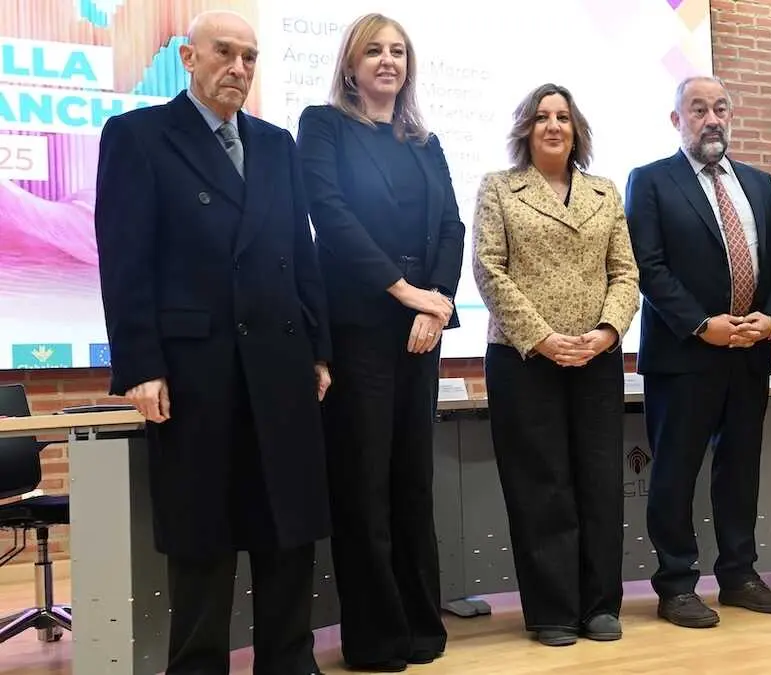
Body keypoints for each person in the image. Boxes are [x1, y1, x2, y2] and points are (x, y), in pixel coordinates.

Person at [93, 10, 331, 675]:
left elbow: (299, 251)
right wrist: (141, 364)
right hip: (196, 368)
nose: (240, 67)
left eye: (251, 56)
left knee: (288, 528)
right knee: (204, 533)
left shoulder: (277, 142)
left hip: (281, 362)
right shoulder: (139, 136)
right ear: (187, 59)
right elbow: (125, 258)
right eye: (224, 52)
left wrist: (317, 347)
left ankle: (289, 662)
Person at [295, 12, 464, 671]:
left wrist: (439, 303)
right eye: (375, 51)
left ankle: (424, 625)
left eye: (398, 51)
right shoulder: (323, 125)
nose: (388, 61)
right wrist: (405, 291)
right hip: (360, 329)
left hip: (421, 333)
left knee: (412, 484)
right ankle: (377, 637)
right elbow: (329, 216)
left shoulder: (425, 141)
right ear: (351, 64)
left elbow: (450, 225)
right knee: (363, 487)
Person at [624, 75, 771, 628]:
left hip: (749, 353)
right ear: (678, 121)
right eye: (698, 109)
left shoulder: (760, 184)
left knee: (739, 469)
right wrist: (702, 325)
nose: (711, 118)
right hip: (683, 356)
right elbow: (648, 267)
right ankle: (676, 584)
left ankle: (739, 575)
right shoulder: (650, 181)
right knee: (675, 472)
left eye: (720, 108)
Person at [472, 83, 640, 647]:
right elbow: (489, 269)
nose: (552, 126)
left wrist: (606, 333)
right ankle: (551, 611)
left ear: (576, 129)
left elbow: (627, 273)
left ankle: (599, 606)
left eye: (562, 117)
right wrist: (543, 338)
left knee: (598, 482)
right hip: (523, 358)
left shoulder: (604, 191)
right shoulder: (499, 188)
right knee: (540, 485)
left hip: (596, 357)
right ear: (526, 129)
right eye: (541, 117)